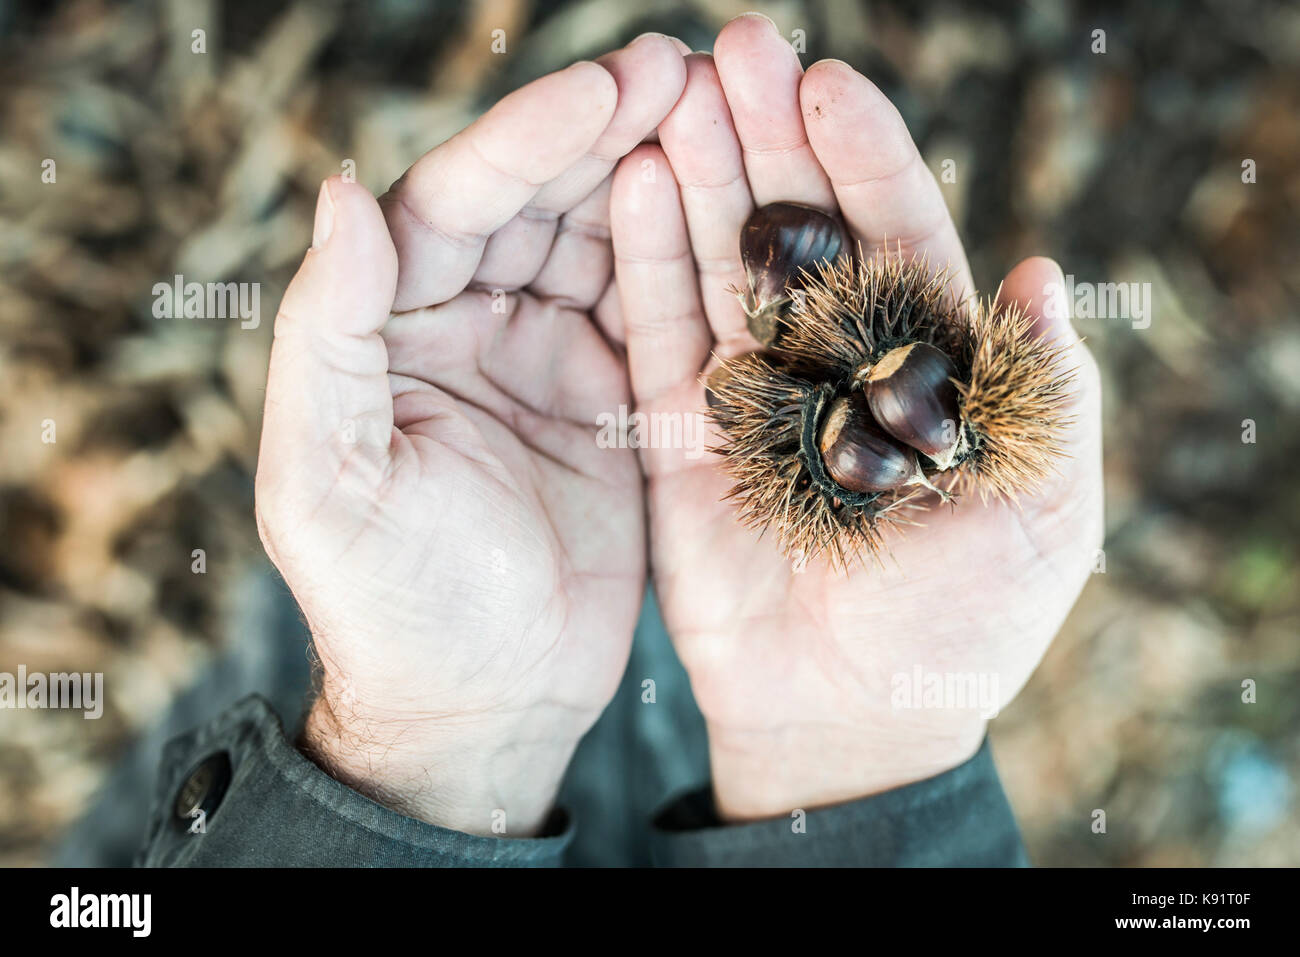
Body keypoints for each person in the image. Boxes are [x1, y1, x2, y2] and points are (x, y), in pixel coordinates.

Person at [134, 15, 1102, 867]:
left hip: (586, 544)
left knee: (279, 631)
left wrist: (414, 758)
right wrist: (861, 775)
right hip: (699, 588)